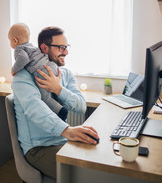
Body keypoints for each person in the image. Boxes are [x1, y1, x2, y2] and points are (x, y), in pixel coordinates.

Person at [11, 26, 99, 179]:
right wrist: (67, 130)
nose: (66, 52)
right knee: (87, 176)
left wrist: (59, 90)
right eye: (61, 48)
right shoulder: (22, 77)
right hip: (39, 149)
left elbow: (81, 107)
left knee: (101, 164)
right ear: (44, 48)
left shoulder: (65, 74)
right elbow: (35, 108)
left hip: (63, 140)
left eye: (66, 47)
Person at [8, 23, 68, 121]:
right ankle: (60, 105)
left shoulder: (19, 49)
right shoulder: (32, 47)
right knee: (54, 92)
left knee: (45, 97)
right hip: (52, 66)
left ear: (15, 40)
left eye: (9, 41)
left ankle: (61, 112)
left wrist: (13, 69)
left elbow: (23, 59)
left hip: (44, 71)